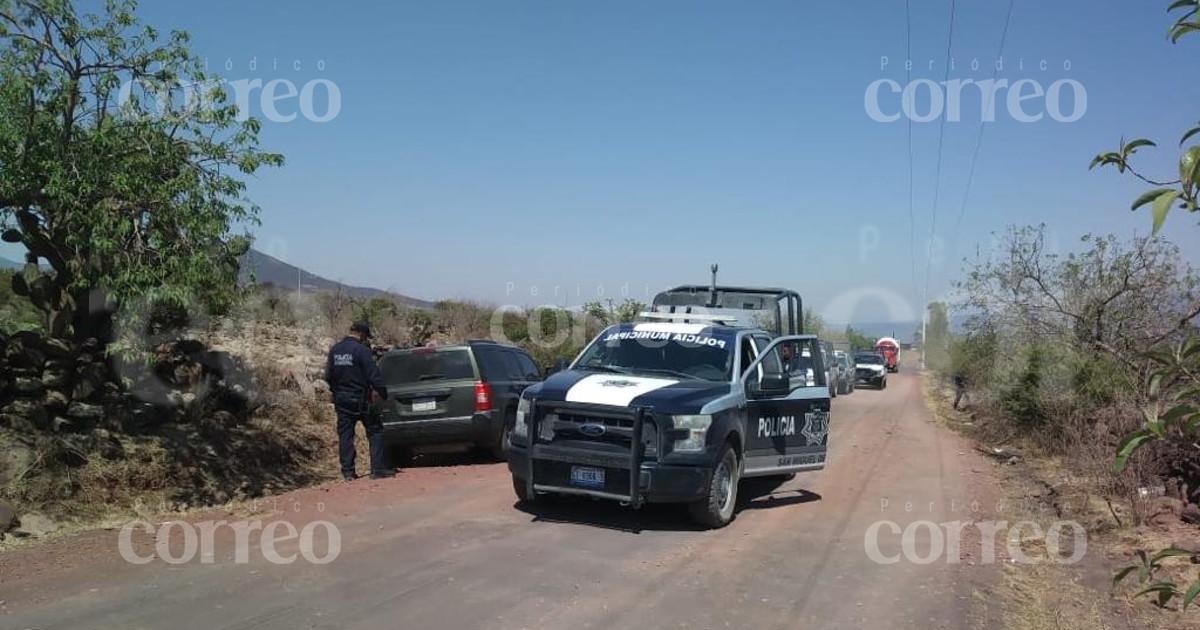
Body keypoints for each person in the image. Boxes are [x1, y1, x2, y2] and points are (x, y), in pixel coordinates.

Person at [325, 321, 392, 481]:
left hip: (341, 398)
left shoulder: (335, 350)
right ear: (361, 334)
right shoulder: (362, 351)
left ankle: (348, 472)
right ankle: (377, 469)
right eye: (365, 337)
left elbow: (328, 376)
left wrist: (337, 392)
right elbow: (373, 375)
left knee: (345, 435)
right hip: (361, 399)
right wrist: (384, 394)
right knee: (375, 431)